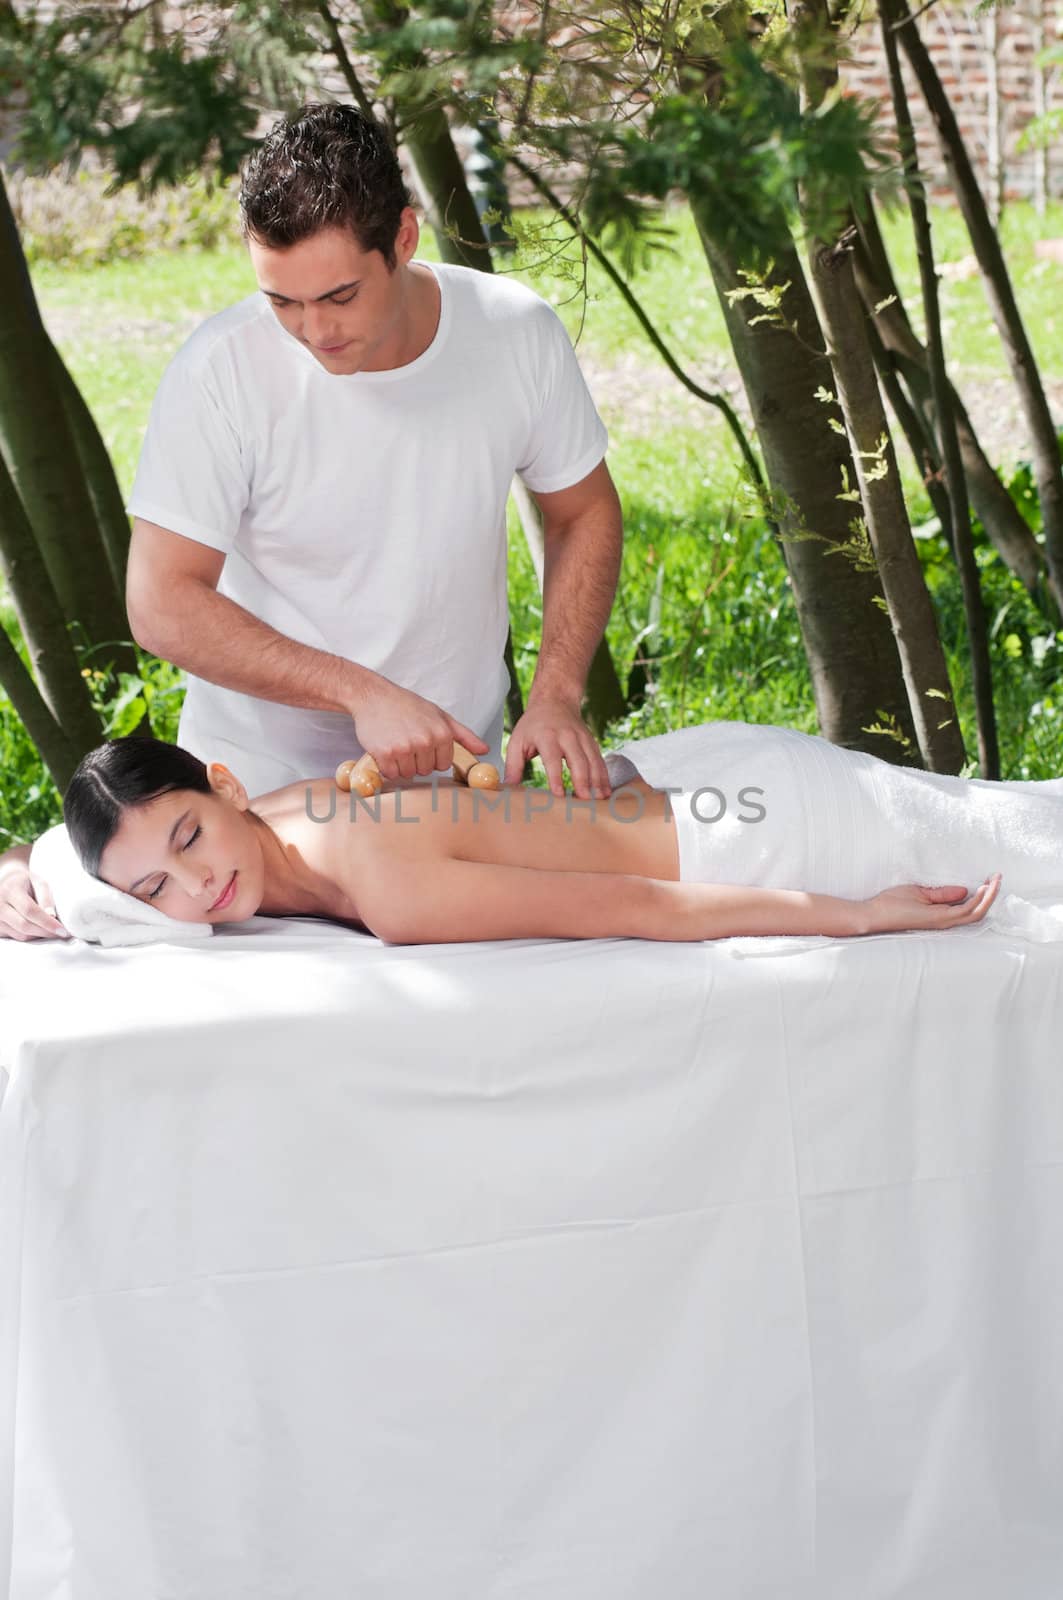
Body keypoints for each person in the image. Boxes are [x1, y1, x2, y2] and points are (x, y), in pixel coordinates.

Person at [0, 101, 624, 940]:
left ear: (402, 238)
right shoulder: (220, 372)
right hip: (240, 819)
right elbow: (160, 602)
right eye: (282, 302)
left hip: (446, 793)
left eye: (337, 295)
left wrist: (553, 697)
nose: (313, 332)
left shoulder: (512, 334)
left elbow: (581, 512)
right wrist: (359, 692)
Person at [56, 721, 1048, 948]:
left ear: (222, 784)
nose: (193, 891)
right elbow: (78, 854)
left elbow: (629, 904)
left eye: (188, 837)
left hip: (752, 831)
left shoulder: (373, 872)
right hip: (691, 785)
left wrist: (857, 916)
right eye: (152, 890)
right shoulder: (271, 814)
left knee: (1033, 847)